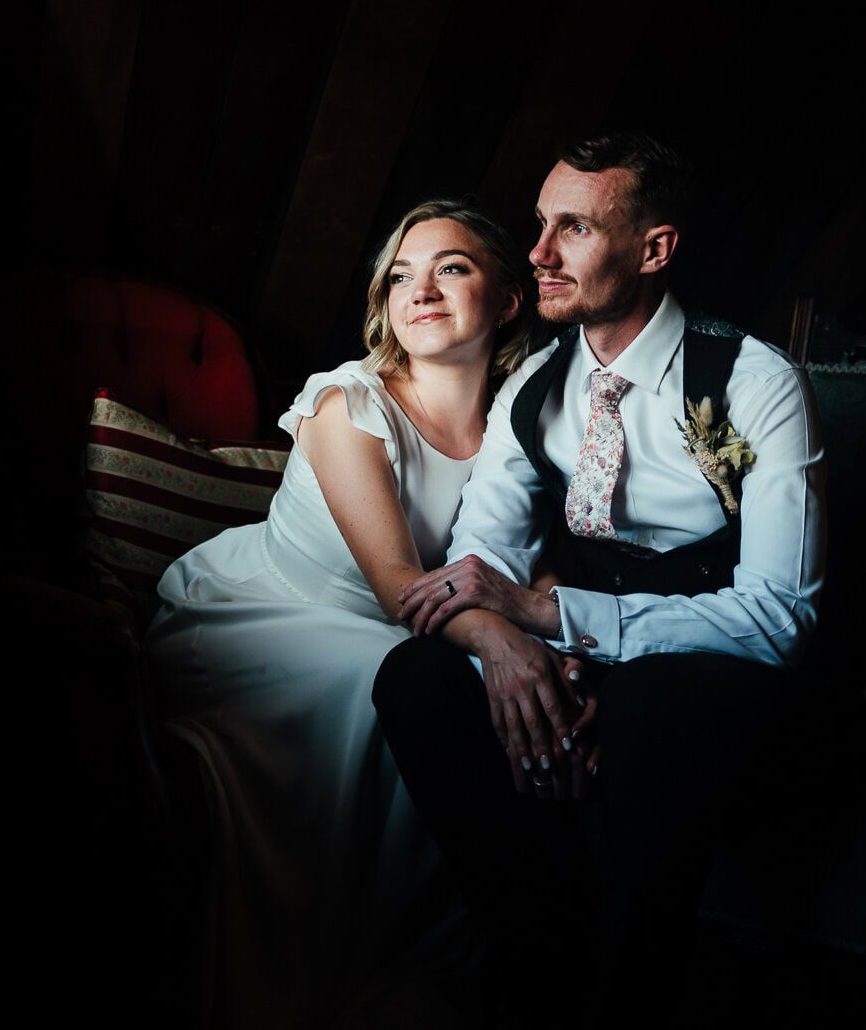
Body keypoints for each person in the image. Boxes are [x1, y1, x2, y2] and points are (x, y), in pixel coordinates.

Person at [371, 133, 828, 1004]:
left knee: (648, 716)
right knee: (416, 677)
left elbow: (780, 619)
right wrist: (512, 653)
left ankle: (621, 989)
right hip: (582, 650)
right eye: (540, 225)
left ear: (653, 250)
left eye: (571, 229)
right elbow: (475, 568)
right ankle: (533, 960)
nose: (536, 254)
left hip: (725, 673)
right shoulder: (536, 385)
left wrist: (553, 620)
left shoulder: (755, 383)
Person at [145, 199, 531, 1028]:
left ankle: (450, 976)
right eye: (400, 275)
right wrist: (498, 639)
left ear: (506, 300)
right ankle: (321, 990)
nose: (420, 289)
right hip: (268, 611)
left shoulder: (521, 423)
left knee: (453, 694)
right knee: (400, 695)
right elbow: (400, 585)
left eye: (451, 267)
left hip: (406, 633)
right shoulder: (347, 402)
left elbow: (527, 565)